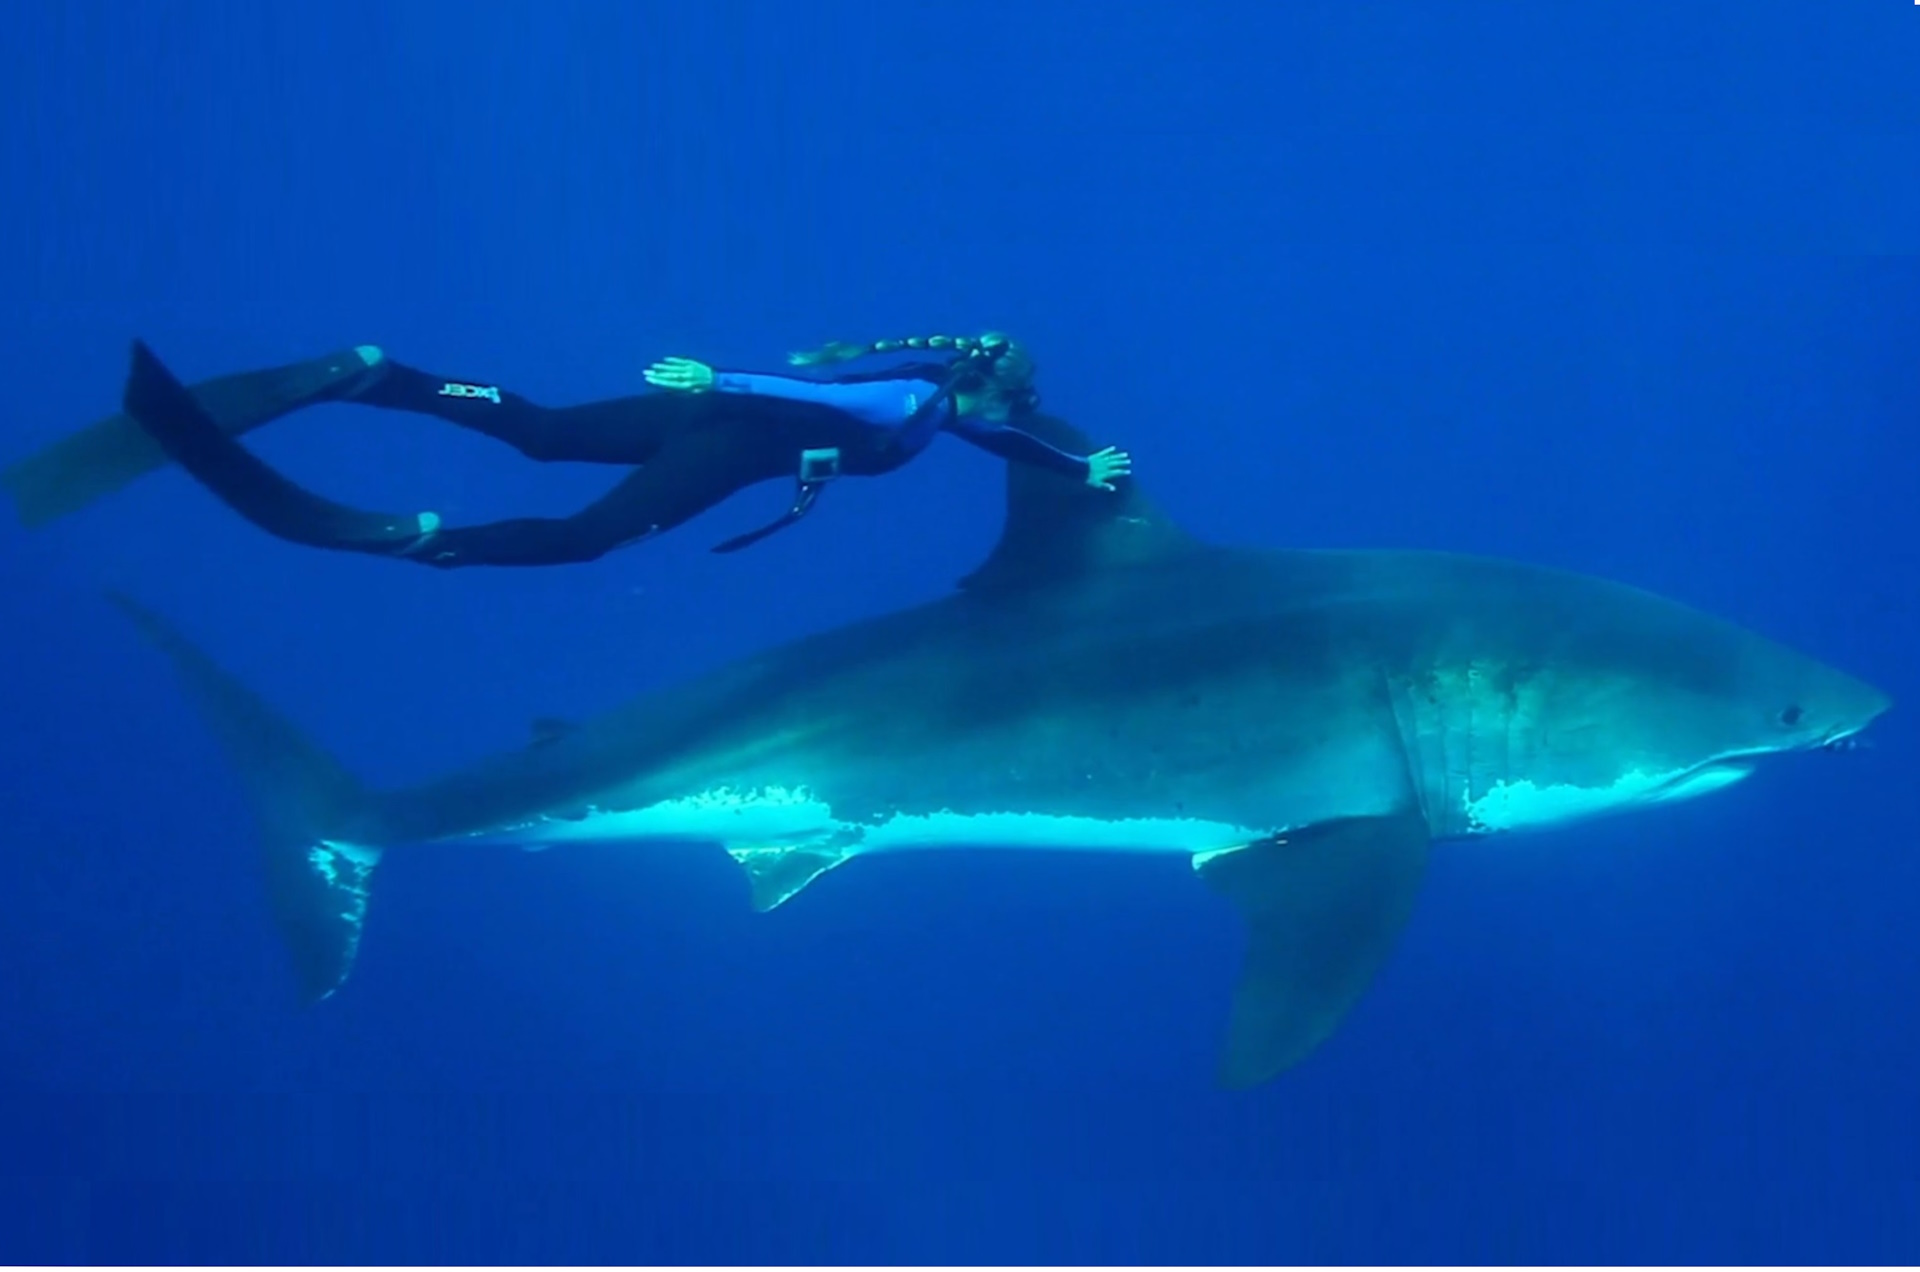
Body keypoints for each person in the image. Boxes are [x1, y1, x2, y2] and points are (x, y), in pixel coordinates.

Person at [25, 331, 1132, 568]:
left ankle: (376, 376)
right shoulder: (910, 407)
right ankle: (421, 540)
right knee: (582, 538)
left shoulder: (953, 408)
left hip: (705, 426)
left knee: (544, 433)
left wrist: (1078, 471)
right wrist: (724, 380)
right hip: (725, 436)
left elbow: (1006, 445)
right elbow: (816, 398)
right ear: (991, 384)